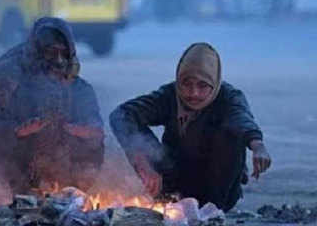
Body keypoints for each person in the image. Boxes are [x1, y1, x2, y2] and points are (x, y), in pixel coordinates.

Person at [110, 42, 271, 211]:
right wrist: (142, 163)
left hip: (216, 188)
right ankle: (169, 201)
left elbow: (240, 119)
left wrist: (257, 145)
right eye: (187, 84)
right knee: (136, 134)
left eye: (202, 86)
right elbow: (122, 114)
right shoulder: (169, 96)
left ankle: (211, 211)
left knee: (231, 135)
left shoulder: (228, 98)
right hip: (175, 181)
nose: (193, 93)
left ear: (214, 83)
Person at [0, 17, 104, 195]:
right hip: (10, 165)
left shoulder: (79, 89)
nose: (59, 61)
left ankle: (66, 195)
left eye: (63, 53)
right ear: (37, 52)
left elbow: (95, 127)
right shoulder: (7, 78)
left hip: (54, 165)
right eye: (50, 52)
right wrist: (17, 131)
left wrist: (85, 131)